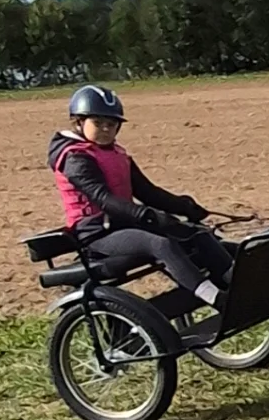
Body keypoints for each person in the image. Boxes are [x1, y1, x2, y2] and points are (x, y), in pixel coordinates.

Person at [48, 84, 234, 308]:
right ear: (79, 122)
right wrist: (147, 216)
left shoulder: (117, 153)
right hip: (97, 235)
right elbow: (103, 198)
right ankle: (216, 299)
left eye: (111, 124)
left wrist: (183, 206)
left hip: (124, 225)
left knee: (196, 233)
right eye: (98, 123)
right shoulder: (75, 158)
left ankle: (234, 284)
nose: (106, 129)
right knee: (160, 245)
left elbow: (147, 192)